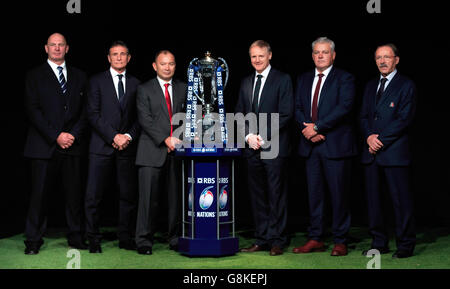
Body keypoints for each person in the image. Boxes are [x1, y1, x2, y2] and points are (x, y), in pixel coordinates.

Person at [23, 33, 88, 255]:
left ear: (67, 48)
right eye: (53, 45)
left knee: (74, 195)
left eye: (61, 45)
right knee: (39, 196)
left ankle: (76, 236)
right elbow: (33, 111)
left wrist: (71, 135)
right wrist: (56, 136)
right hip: (43, 146)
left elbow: (84, 112)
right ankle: (33, 240)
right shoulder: (34, 76)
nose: (57, 48)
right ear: (46, 48)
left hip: (73, 145)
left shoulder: (80, 76)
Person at [292, 37, 357, 256]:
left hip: (335, 146)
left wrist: (317, 128)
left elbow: (344, 107)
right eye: (317, 52)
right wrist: (308, 130)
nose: (320, 56)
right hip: (310, 147)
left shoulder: (345, 78)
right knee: (315, 195)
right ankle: (316, 238)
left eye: (325, 52)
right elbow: (298, 107)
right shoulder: (303, 78)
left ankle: (340, 240)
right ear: (312, 55)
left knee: (339, 196)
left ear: (333, 55)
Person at [235, 40, 294, 256]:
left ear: (269, 55)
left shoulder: (283, 79)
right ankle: (262, 238)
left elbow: (286, 113)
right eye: (253, 56)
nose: (257, 60)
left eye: (261, 55)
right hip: (251, 147)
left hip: (274, 146)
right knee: (257, 195)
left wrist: (263, 135)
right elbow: (240, 113)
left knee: (276, 194)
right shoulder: (245, 82)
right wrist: (249, 136)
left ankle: (278, 239)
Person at [360, 44, 417, 258]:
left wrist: (380, 140)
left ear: (396, 60)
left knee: (400, 201)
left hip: (394, 153)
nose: (382, 61)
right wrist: (368, 137)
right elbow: (363, 117)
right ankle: (379, 243)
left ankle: (405, 245)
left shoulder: (406, 85)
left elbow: (404, 119)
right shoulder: (369, 86)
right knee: (374, 202)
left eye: (387, 57)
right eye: (378, 57)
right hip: (371, 153)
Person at [84, 41, 141, 253]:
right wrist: (113, 136)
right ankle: (93, 238)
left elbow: (140, 117)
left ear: (129, 57)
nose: (118, 58)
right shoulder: (96, 81)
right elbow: (93, 114)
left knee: (128, 196)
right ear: (108, 58)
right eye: (114, 54)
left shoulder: (136, 84)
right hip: (101, 147)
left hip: (127, 147)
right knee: (94, 196)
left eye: (122, 54)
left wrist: (126, 136)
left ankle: (126, 238)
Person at [135, 50, 187, 255]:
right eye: (163, 64)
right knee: (147, 199)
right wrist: (165, 139)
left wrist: (181, 139)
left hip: (178, 151)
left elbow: (188, 117)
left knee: (175, 199)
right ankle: (143, 240)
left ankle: (174, 238)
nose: (167, 67)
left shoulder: (184, 88)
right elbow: (144, 119)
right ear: (155, 66)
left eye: (171, 64)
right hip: (151, 151)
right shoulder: (144, 89)